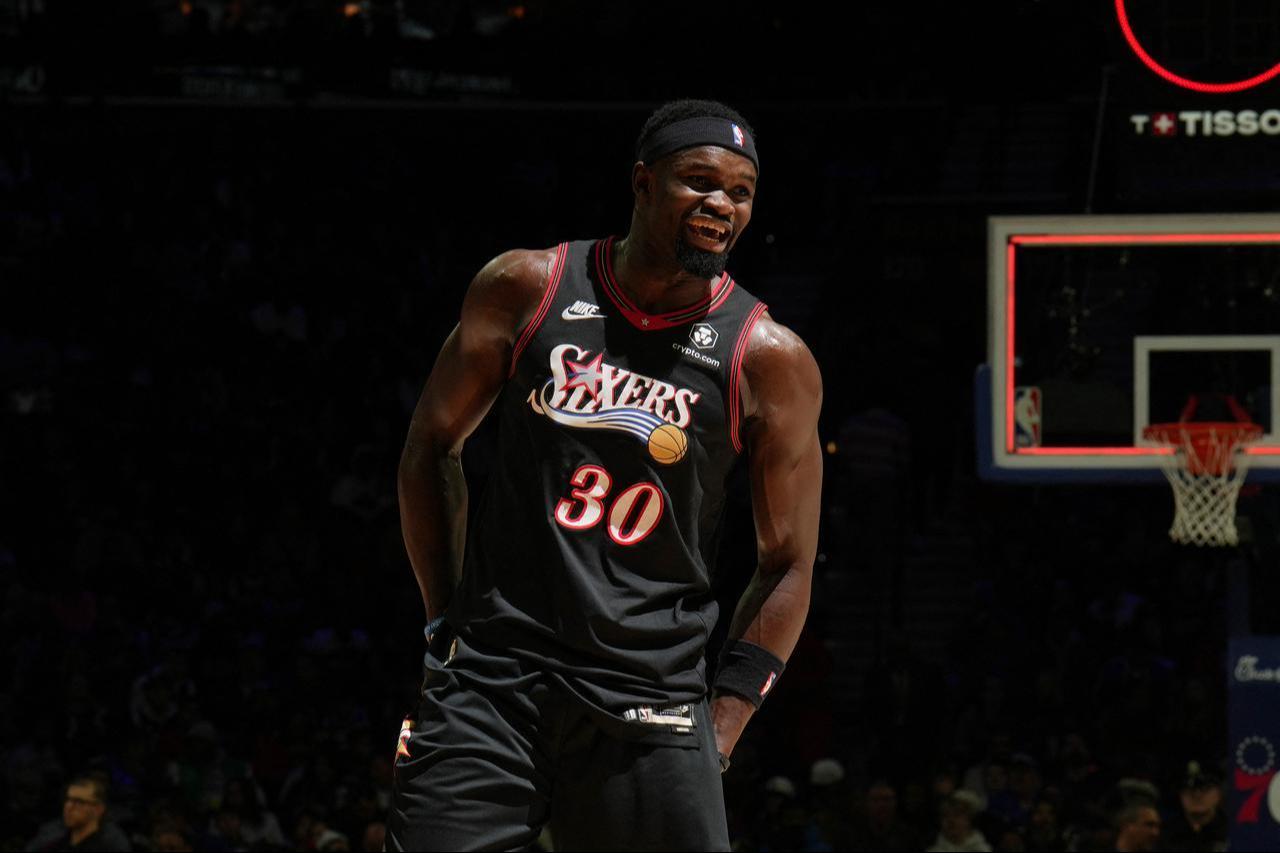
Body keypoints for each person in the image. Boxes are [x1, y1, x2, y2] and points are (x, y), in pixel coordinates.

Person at [389, 98, 823, 851]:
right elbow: (431, 446)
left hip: (651, 697)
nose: (721, 204)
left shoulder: (768, 358)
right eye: (699, 181)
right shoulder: (528, 286)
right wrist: (442, 621)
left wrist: (721, 726)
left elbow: (789, 561)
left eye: (741, 191)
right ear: (643, 182)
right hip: (495, 679)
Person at [25, 774, 131, 852]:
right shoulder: (50, 836)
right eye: (68, 800)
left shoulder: (112, 844)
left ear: (98, 809)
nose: (69, 807)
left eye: (79, 802)